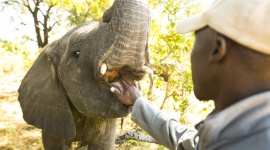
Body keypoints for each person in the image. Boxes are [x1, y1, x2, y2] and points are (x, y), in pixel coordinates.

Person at [110, 0, 270, 149]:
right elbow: (192, 143)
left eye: (195, 41)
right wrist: (138, 102)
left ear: (216, 49)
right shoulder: (240, 132)